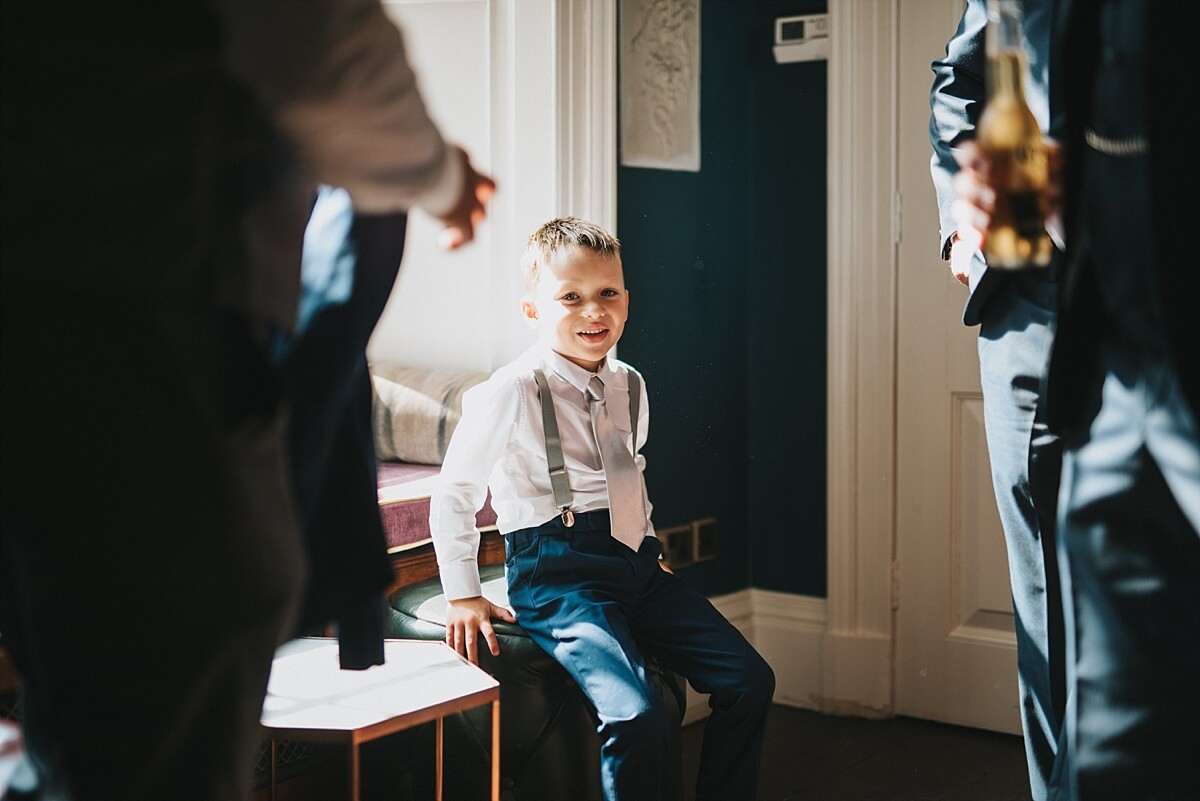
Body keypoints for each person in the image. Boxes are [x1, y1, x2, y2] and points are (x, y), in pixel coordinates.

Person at [0, 1, 493, 798]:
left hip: (54, 350)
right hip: (142, 349)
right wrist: (442, 176)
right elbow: (324, 53)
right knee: (157, 731)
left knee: (74, 710)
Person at [428, 217, 775, 801]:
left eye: (607, 293)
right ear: (533, 310)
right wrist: (462, 592)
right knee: (637, 713)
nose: (594, 311)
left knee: (749, 680)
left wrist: (650, 543)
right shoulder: (512, 391)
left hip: (637, 564)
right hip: (558, 577)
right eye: (571, 297)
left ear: (627, 301)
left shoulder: (630, 384)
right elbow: (456, 492)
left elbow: (629, 474)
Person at [951, 1, 1200, 798]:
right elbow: (959, 78)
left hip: (1171, 321)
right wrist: (964, 216)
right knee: (1060, 627)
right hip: (1035, 318)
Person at [928, 3, 1069, 798]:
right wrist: (965, 224)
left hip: (1164, 295)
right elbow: (960, 78)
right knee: (1042, 586)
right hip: (1030, 294)